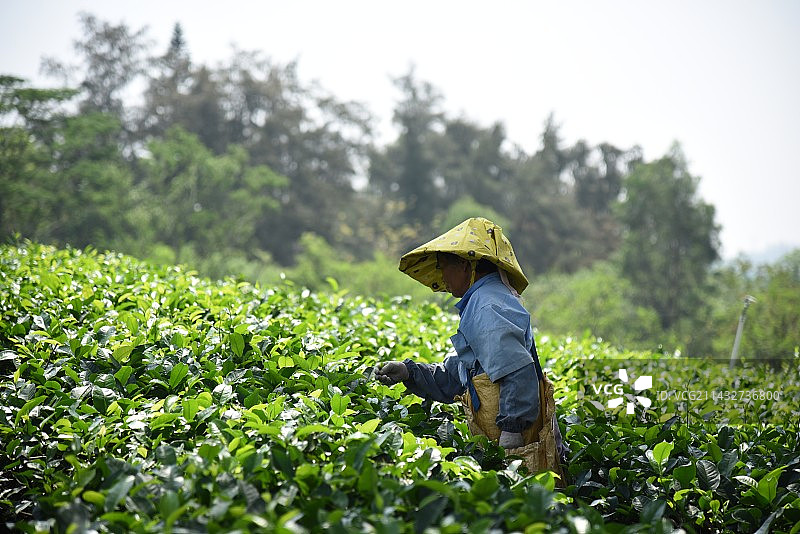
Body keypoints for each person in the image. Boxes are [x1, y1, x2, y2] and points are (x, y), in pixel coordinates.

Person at [376, 218, 566, 469]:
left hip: (513, 441)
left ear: (465, 266)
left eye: (444, 266)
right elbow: (463, 375)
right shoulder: (486, 300)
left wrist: (511, 429)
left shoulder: (487, 305)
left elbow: (517, 371)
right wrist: (409, 371)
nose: (442, 275)